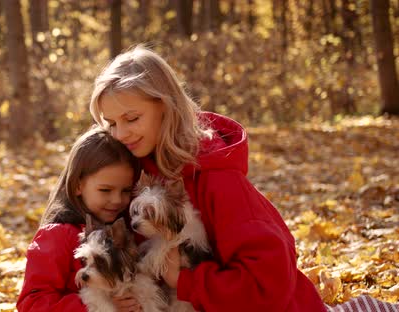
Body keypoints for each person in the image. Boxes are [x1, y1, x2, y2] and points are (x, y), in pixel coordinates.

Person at [89, 45, 328, 312]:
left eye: (131, 118)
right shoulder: (130, 175)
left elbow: (268, 283)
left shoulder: (219, 180)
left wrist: (185, 281)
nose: (120, 133)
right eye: (111, 123)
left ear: (166, 107)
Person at [16, 126, 144, 312]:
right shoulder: (58, 235)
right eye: (105, 190)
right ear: (78, 186)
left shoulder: (126, 229)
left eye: (125, 190)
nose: (117, 200)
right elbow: (32, 304)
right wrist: (94, 307)